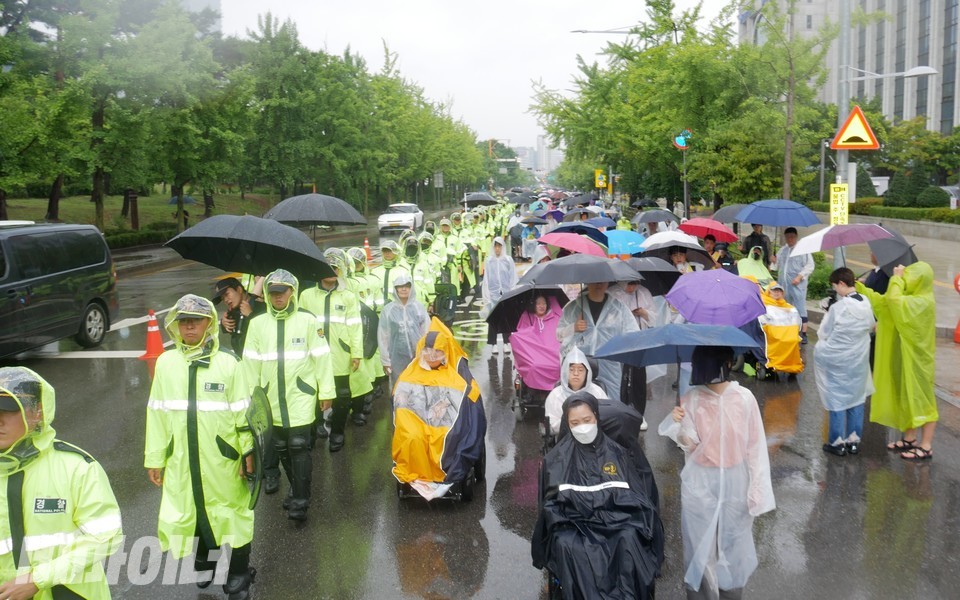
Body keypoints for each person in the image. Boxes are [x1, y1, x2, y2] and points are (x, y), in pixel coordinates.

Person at [145, 294, 256, 598]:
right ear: (175, 325)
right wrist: (155, 458)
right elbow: (157, 414)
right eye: (183, 320)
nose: (189, 325)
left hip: (223, 460)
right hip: (182, 459)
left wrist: (248, 453)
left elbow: (243, 414)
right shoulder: (166, 364)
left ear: (209, 324)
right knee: (193, 510)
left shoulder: (228, 365)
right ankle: (205, 561)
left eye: (195, 320)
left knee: (233, 513)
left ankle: (238, 571)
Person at [659, 346, 776, 600]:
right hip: (701, 483)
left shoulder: (744, 398)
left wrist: (757, 487)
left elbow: (755, 446)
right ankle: (700, 595)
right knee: (700, 545)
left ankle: (730, 593)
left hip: (736, 482)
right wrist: (679, 422)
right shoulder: (693, 399)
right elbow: (690, 444)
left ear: (728, 363)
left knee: (733, 544)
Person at [0, 367, 123, 600]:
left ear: (37, 413)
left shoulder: (77, 468)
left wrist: (38, 579)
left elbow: (106, 536)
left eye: (8, 409)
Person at [532, 391, 664, 600]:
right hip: (575, 526)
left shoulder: (619, 453)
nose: (582, 426)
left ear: (596, 417)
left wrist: (611, 513)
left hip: (618, 523)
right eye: (575, 423)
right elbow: (549, 505)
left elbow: (638, 497)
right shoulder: (556, 459)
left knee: (630, 541)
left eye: (587, 420)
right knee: (566, 545)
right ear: (567, 424)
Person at [243, 269, 334, 520]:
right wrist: (251, 399)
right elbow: (249, 364)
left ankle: (301, 501)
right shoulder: (257, 324)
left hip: (300, 395)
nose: (277, 298)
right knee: (281, 446)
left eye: (281, 293)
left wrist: (326, 391)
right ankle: (297, 487)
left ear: (292, 291)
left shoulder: (307, 321)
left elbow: (322, 357)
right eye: (272, 293)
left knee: (298, 445)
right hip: (271, 398)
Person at [391, 318, 487, 500]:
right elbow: (400, 399)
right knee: (411, 437)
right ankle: (416, 475)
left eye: (437, 351)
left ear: (445, 353)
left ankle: (444, 474)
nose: (432, 355)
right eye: (427, 351)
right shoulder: (411, 373)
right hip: (417, 421)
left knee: (445, 440)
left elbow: (469, 400)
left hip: (446, 424)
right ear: (421, 351)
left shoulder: (457, 376)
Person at [856, 262, 938, 460]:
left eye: (910, 278)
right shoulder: (909, 298)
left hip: (919, 362)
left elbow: (893, 299)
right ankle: (910, 439)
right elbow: (883, 302)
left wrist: (896, 278)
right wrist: (859, 287)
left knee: (924, 400)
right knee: (906, 395)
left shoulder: (923, 301)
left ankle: (926, 446)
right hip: (904, 357)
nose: (905, 280)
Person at [299, 252, 371, 452]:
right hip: (314, 358)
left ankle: (337, 432)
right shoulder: (306, 296)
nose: (331, 271)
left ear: (341, 271)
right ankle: (315, 428)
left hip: (340, 356)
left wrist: (356, 352)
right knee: (313, 395)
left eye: (335, 268)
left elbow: (355, 326)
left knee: (341, 397)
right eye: (327, 267)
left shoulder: (347, 296)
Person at [814, 268, 875, 457]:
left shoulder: (838, 308)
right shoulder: (865, 302)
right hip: (858, 360)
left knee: (837, 399)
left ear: (841, 284)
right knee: (856, 398)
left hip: (837, 361)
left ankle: (837, 443)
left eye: (835, 286)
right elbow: (870, 326)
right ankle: (853, 442)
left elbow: (823, 332)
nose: (835, 289)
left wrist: (827, 312)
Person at [557, 281, 639, 403]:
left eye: (602, 281)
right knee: (579, 403)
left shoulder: (618, 308)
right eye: (595, 281)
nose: (599, 285)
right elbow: (559, 335)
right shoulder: (573, 307)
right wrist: (573, 328)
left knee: (610, 403)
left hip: (610, 365)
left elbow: (633, 335)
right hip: (579, 366)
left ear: (608, 283)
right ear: (588, 282)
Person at [610, 279, 656, 429]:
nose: (632, 287)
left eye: (635, 283)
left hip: (639, 341)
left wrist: (644, 313)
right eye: (629, 283)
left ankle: (638, 412)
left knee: (638, 378)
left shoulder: (643, 293)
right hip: (619, 342)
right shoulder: (612, 293)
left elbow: (655, 317)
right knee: (619, 377)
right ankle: (618, 409)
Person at [378, 274, 430, 389]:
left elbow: (427, 331)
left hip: (418, 356)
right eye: (400, 286)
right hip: (397, 358)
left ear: (411, 288)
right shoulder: (388, 311)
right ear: (395, 289)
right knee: (399, 387)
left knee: (419, 386)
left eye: (407, 286)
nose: (403, 289)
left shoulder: (418, 308)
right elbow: (383, 336)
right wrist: (385, 360)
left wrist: (427, 353)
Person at [544, 348, 607, 436]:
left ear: (587, 372)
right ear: (565, 372)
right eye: (571, 369)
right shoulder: (555, 395)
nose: (576, 373)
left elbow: (605, 418)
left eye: (581, 370)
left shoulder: (597, 392)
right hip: (565, 439)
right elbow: (552, 425)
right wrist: (575, 424)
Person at [776, 227, 814, 344]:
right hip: (784, 284)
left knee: (800, 307)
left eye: (792, 237)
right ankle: (788, 329)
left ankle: (803, 333)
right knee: (786, 307)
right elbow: (777, 265)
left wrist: (799, 276)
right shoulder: (783, 250)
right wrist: (773, 261)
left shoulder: (803, 250)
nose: (790, 239)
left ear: (796, 237)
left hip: (798, 285)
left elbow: (809, 266)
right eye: (787, 237)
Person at [482, 236, 519, 355]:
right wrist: (486, 295)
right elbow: (486, 278)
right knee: (493, 319)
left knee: (505, 318)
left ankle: (506, 342)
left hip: (506, 293)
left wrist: (513, 292)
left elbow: (513, 276)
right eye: (495, 246)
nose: (497, 249)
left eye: (499, 246)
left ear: (503, 247)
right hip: (493, 294)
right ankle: (493, 344)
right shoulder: (489, 261)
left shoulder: (508, 260)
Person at [214, 277, 266, 355]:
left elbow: (267, 331)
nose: (225, 300)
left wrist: (250, 315)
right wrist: (224, 323)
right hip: (241, 360)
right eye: (222, 298)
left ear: (239, 290)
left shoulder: (260, 306)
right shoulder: (233, 310)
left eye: (227, 294)